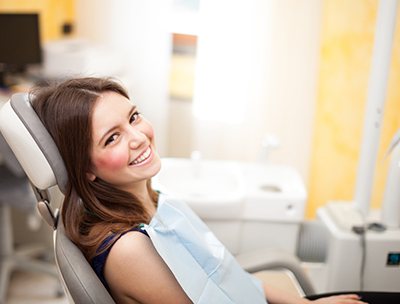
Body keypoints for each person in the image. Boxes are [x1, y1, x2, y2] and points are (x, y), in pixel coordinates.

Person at [31, 77, 367, 304]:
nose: (139, 137)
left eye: (133, 117)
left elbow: (225, 275)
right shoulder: (128, 249)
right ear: (86, 168)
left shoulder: (153, 202)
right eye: (112, 137)